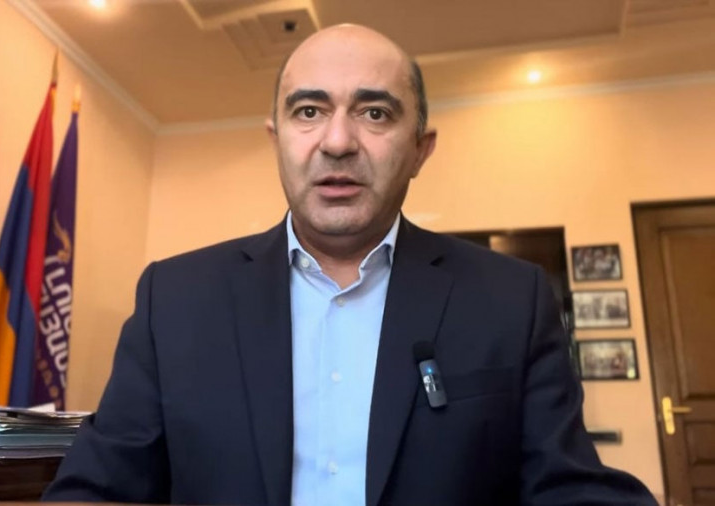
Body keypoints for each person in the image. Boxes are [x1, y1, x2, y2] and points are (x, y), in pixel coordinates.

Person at [43, 24, 656, 505]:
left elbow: (568, 487)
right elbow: (98, 487)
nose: (337, 142)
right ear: (277, 139)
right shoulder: (174, 299)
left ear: (420, 150)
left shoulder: (512, 299)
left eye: (375, 113)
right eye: (309, 111)